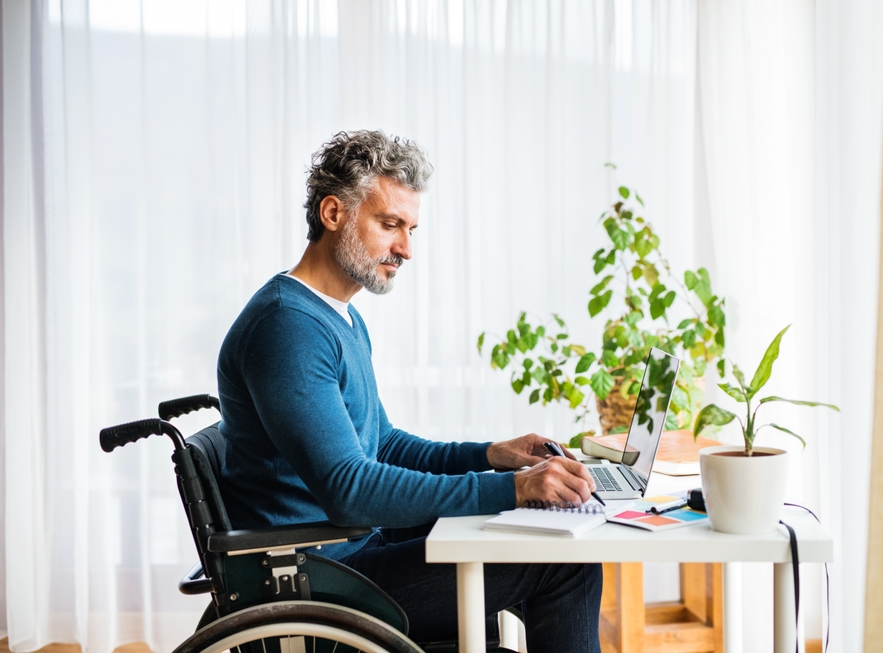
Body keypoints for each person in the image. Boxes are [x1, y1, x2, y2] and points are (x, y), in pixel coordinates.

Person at [216, 130, 603, 652]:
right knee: (563, 565)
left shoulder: (337, 318)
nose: (405, 249)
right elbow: (350, 490)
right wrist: (512, 488)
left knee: (536, 540)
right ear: (333, 214)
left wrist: (493, 456)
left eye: (411, 228)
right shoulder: (289, 328)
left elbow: (385, 445)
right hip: (318, 580)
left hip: (346, 555)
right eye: (389, 224)